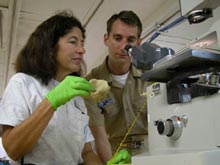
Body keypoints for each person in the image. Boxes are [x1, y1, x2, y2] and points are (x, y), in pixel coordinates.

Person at [0, 11, 103, 165]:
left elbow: (86, 152)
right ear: (50, 47)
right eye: (73, 41)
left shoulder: (77, 98)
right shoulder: (22, 83)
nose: (82, 50)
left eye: (82, 43)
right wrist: (52, 101)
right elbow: (12, 150)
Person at [84, 10, 151, 164]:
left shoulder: (152, 75)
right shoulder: (91, 84)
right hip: (113, 154)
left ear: (139, 43)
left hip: (151, 152)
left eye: (131, 39)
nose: (123, 46)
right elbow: (99, 137)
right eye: (117, 38)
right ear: (106, 39)